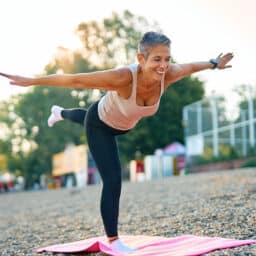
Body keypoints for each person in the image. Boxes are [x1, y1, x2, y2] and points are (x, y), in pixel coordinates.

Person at [0, 31, 233, 253]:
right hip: (100, 126)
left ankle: (59, 113)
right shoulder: (123, 78)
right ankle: (113, 240)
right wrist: (33, 81)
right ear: (140, 58)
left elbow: (192, 66)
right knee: (112, 179)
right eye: (156, 59)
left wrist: (214, 63)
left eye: (167, 59)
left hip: (121, 124)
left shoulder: (169, 74)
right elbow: (77, 80)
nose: (163, 65)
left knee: (82, 115)